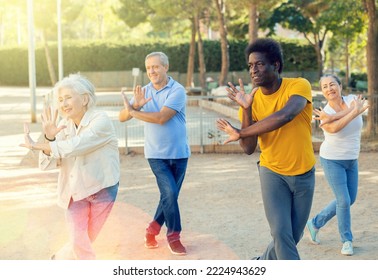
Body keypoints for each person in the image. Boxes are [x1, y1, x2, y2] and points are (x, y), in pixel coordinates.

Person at [216, 38, 316, 260]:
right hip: (273, 173)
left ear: (276, 65)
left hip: (304, 173)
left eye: (259, 64)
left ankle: (261, 263)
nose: (253, 70)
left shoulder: (298, 86)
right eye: (250, 66)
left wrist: (241, 132)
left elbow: (285, 115)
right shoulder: (253, 101)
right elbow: (249, 148)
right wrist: (247, 110)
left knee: (291, 237)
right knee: (281, 233)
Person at [20, 74, 120, 260]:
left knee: (85, 239)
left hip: (102, 190)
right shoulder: (63, 125)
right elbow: (48, 163)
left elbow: (75, 147)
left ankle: (60, 258)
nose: (63, 104)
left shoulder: (101, 120)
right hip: (74, 192)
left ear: (84, 98)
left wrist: (38, 145)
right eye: (60, 100)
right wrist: (49, 138)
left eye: (67, 97)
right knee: (79, 241)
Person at [119, 51, 191, 255]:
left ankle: (151, 230)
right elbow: (122, 116)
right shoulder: (144, 92)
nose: (151, 71)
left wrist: (135, 112)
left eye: (156, 67)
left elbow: (161, 118)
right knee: (169, 193)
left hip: (179, 154)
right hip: (155, 154)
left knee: (169, 196)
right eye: (148, 67)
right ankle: (174, 236)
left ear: (165, 68)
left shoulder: (177, 90)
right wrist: (133, 107)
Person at [306, 74, 369, 256]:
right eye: (324, 86)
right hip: (332, 160)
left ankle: (315, 222)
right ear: (322, 91)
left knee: (351, 199)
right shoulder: (322, 111)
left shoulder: (351, 99)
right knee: (343, 200)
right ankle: (346, 240)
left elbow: (360, 106)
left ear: (340, 86)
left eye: (332, 84)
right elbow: (334, 128)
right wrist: (353, 112)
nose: (329, 88)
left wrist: (343, 113)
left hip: (351, 159)